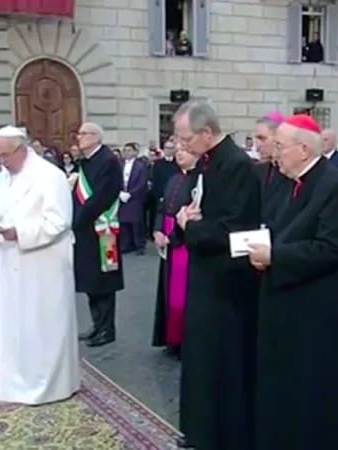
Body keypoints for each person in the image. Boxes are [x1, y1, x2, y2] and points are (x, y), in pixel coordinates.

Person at [246, 114, 338, 450]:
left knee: (311, 394)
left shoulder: (335, 186)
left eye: (280, 146)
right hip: (286, 302)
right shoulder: (289, 181)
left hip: (316, 311)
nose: (274, 153)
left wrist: (275, 256)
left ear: (304, 150)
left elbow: (333, 248)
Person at [173, 100, 260, 450]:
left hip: (226, 281)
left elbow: (234, 226)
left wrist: (190, 227)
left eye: (186, 138)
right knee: (200, 356)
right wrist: (188, 217)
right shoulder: (207, 163)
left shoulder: (237, 165)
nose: (182, 146)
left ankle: (219, 434)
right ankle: (200, 429)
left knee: (221, 359)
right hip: (205, 274)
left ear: (206, 132)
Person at [0, 126, 79, 405]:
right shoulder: (1, 177)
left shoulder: (50, 176)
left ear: (22, 149)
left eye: (5, 155)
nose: (1, 162)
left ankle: (51, 385)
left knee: (44, 325)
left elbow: (59, 221)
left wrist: (20, 233)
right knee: (16, 325)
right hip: (11, 260)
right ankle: (16, 382)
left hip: (43, 262)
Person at [73, 122, 124, 348]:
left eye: (83, 134)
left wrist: (79, 218)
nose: (79, 137)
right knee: (90, 279)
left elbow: (103, 196)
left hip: (103, 229)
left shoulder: (108, 161)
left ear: (95, 136)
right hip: (87, 230)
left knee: (104, 280)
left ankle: (107, 329)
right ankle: (97, 324)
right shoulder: (86, 161)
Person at [151, 144, 199, 359]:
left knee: (182, 293)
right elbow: (162, 207)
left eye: (184, 150)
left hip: (184, 242)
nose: (179, 153)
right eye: (177, 150)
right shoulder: (173, 178)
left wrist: (172, 236)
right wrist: (157, 230)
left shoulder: (199, 180)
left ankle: (184, 341)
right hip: (167, 240)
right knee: (168, 290)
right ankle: (171, 339)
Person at [251, 112, 290, 227]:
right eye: (255, 139)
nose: (257, 146)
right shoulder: (259, 169)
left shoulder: (292, 172)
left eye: (262, 138)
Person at [118, 142, 148, 255]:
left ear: (135, 152)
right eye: (125, 150)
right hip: (122, 196)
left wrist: (131, 194)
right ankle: (126, 244)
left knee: (136, 222)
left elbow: (142, 182)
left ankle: (139, 245)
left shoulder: (140, 166)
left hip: (135, 197)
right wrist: (120, 192)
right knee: (124, 222)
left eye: (129, 150)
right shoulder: (120, 164)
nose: (127, 153)